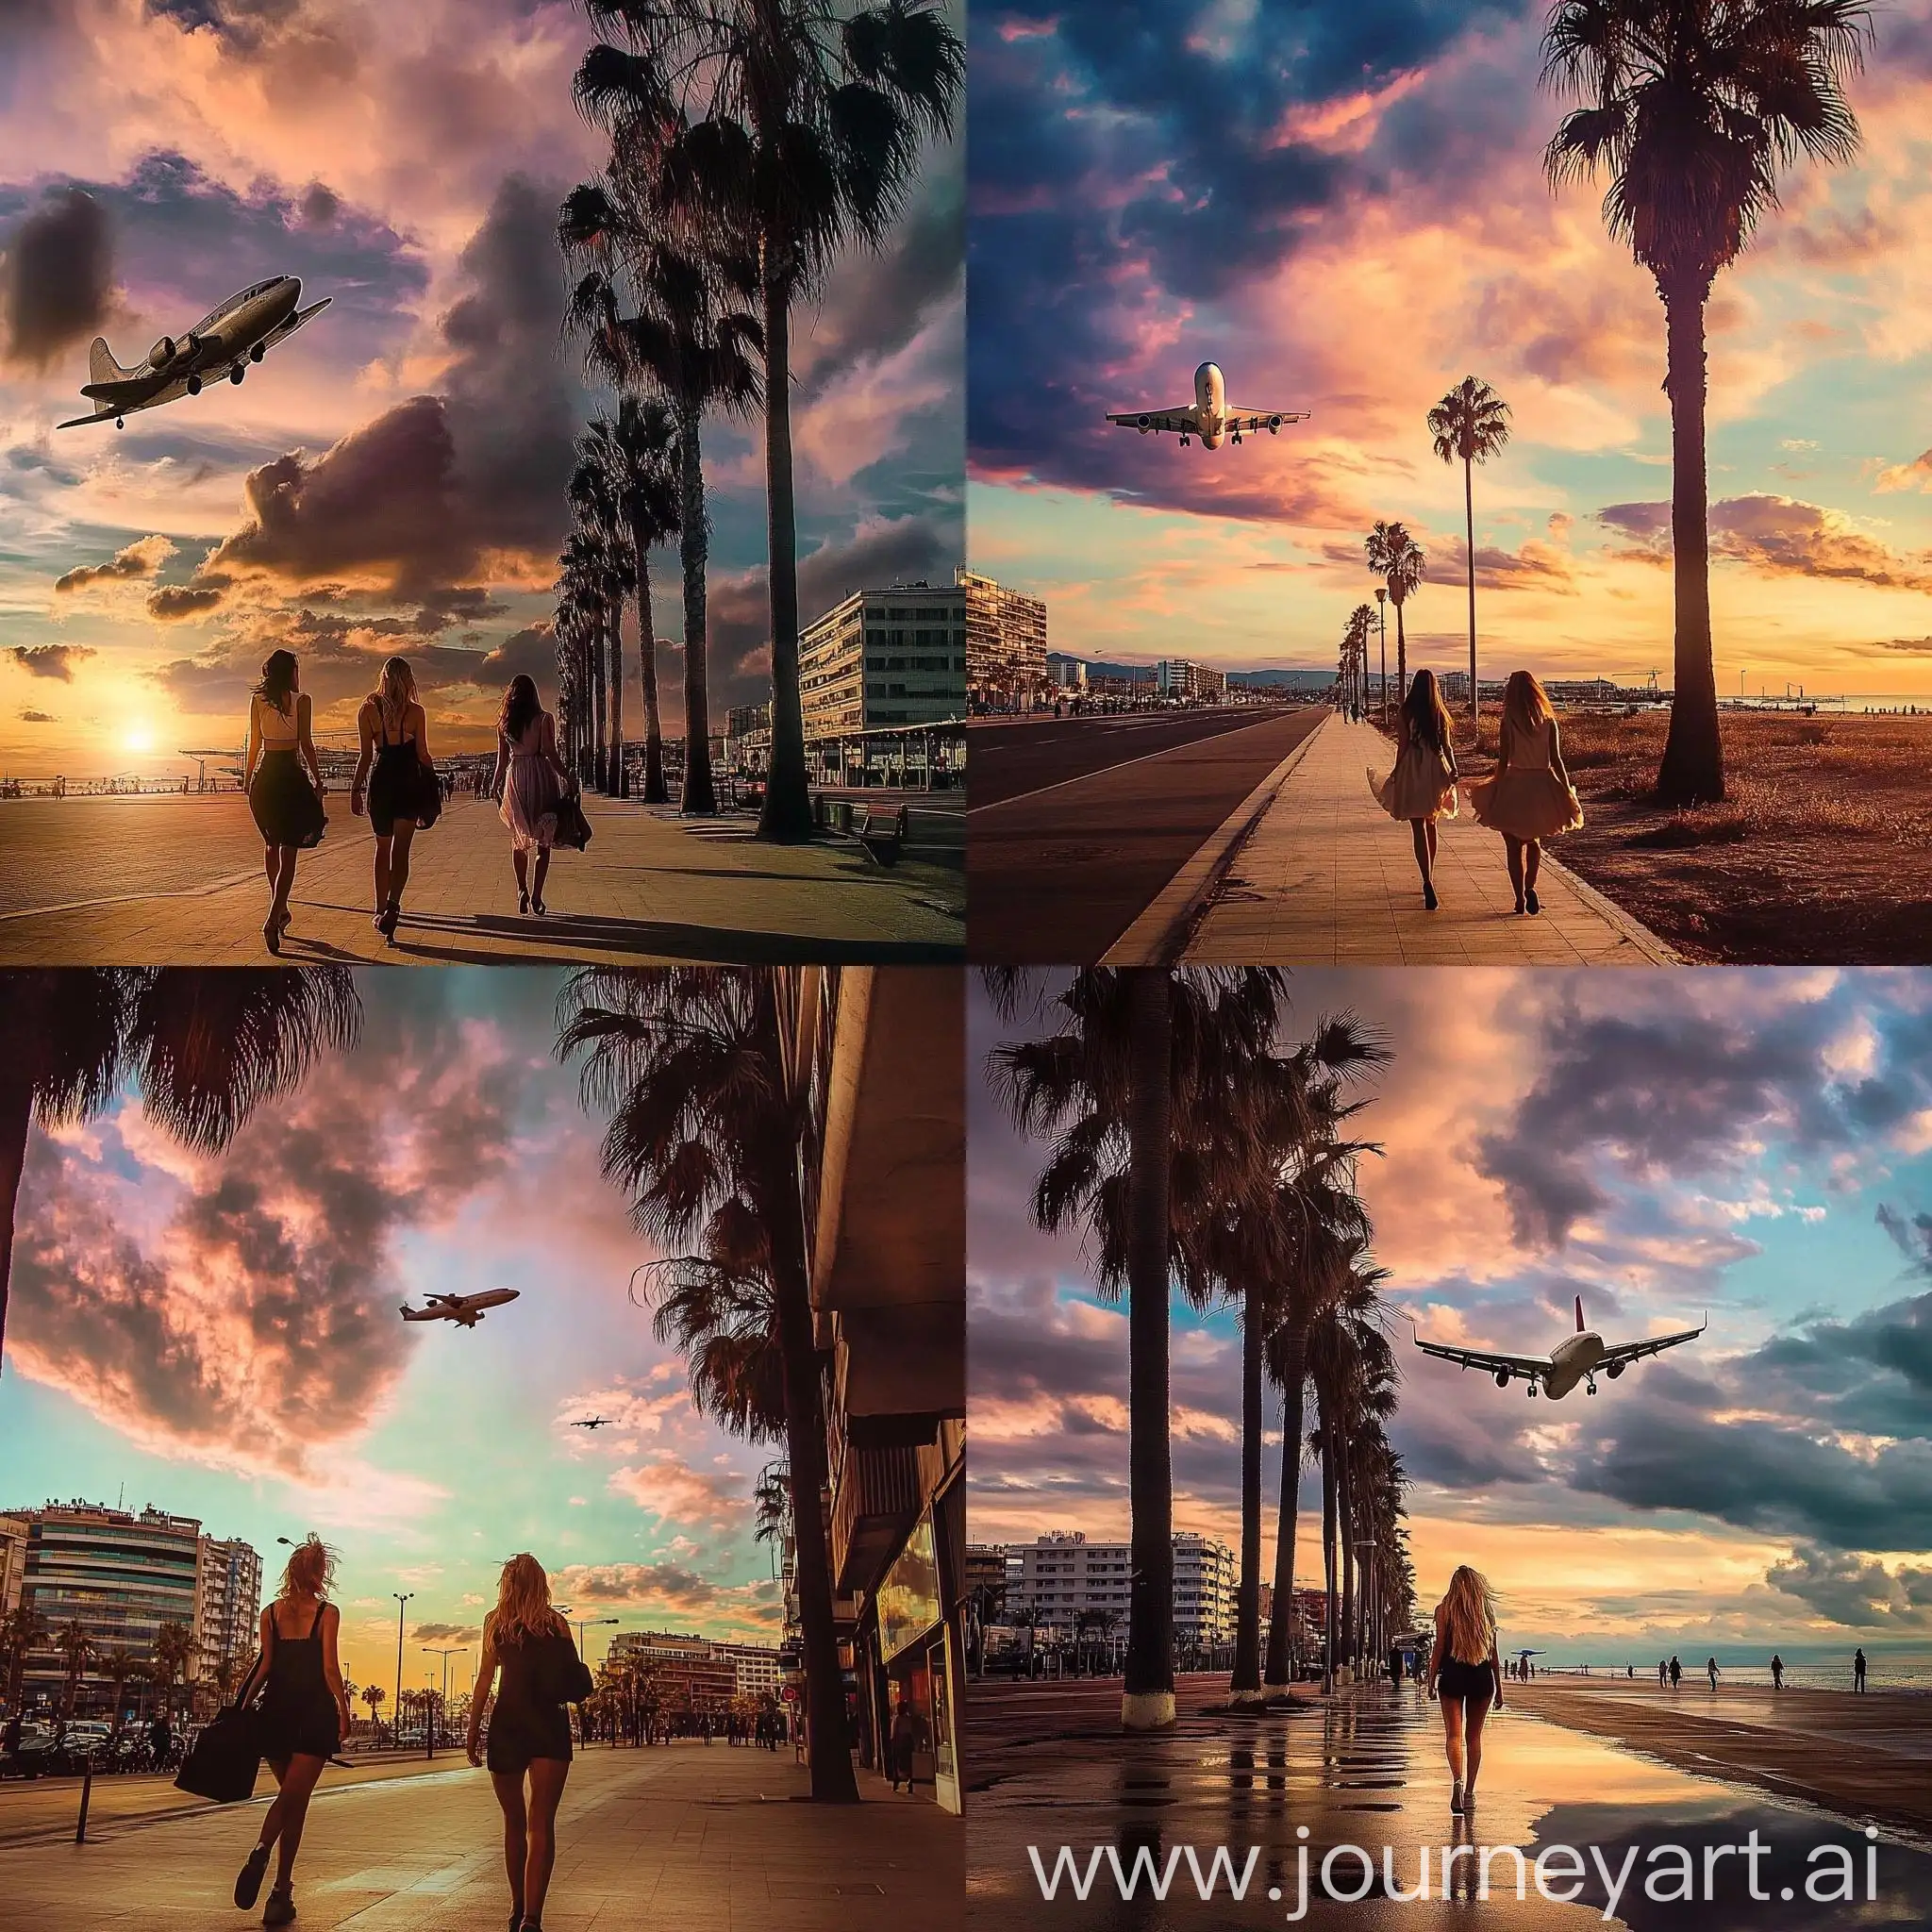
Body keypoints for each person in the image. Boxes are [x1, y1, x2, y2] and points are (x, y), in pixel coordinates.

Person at [232, 1536, 351, 1928]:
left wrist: (243, 1709)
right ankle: (263, 1851)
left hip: (276, 1713)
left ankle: (282, 1895)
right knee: (291, 1799)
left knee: (294, 1800)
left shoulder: (270, 1613)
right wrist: (344, 1709)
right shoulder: (326, 1613)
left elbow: (264, 1666)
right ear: (319, 1573)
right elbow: (331, 1670)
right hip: (312, 1715)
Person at [468, 1554, 575, 1932]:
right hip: (548, 1723)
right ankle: (533, 1916)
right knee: (541, 1823)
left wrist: (473, 1727)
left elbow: (485, 1679)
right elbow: (571, 1677)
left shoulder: (495, 1623)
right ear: (541, 1583)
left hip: (508, 1724)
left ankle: (516, 1909)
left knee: (514, 1823)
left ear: (507, 1583)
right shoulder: (557, 1623)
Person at [1464, 669, 1582, 915]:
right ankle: (1530, 887)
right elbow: (1556, 760)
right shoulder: (1549, 722)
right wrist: (1565, 788)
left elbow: (1504, 759)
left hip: (1515, 782)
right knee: (1534, 839)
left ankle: (1519, 898)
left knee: (1512, 845)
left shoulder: (1509, 722)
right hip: (1543, 784)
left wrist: (1495, 785)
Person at [243, 650, 326, 954]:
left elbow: (254, 744)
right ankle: (272, 917)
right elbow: (306, 744)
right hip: (291, 775)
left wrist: (248, 778)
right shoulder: (303, 700)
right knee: (290, 850)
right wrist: (318, 779)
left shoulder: (258, 701)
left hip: (266, 777)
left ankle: (280, 908)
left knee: (271, 845)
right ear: (291, 671)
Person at [351, 657, 438, 944]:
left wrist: (354, 790)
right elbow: (423, 753)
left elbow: (365, 756)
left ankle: (379, 909)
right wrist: (432, 775)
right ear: (408, 680)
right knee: (402, 851)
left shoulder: (367, 711)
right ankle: (393, 906)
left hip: (381, 780)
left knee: (382, 849)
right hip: (408, 782)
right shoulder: (416, 712)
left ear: (384, 678)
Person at [1369, 668, 1459, 910]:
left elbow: (1403, 745)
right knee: (1432, 823)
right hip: (1435, 768)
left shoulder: (1406, 712)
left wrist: (1397, 771)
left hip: (1413, 766)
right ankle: (1430, 874)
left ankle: (1426, 879)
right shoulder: (1439, 713)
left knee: (1417, 825)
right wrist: (1454, 769)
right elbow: (1447, 747)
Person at [490, 675, 574, 917]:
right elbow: (550, 752)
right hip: (540, 776)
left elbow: (501, 762)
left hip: (516, 778)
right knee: (543, 840)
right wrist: (567, 777)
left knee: (519, 837)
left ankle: (521, 889)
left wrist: (496, 785)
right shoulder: (544, 719)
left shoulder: (504, 725)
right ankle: (536, 896)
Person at [1428, 1565, 1503, 1816]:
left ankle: (1457, 1783)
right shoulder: (1486, 1613)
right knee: (1474, 1738)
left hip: (1452, 1674)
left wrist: (1429, 1680)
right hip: (1481, 1677)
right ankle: (1470, 1793)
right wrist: (1500, 1689)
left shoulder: (1443, 1611)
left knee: (1453, 1736)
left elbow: (1439, 1648)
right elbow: (1493, 1655)